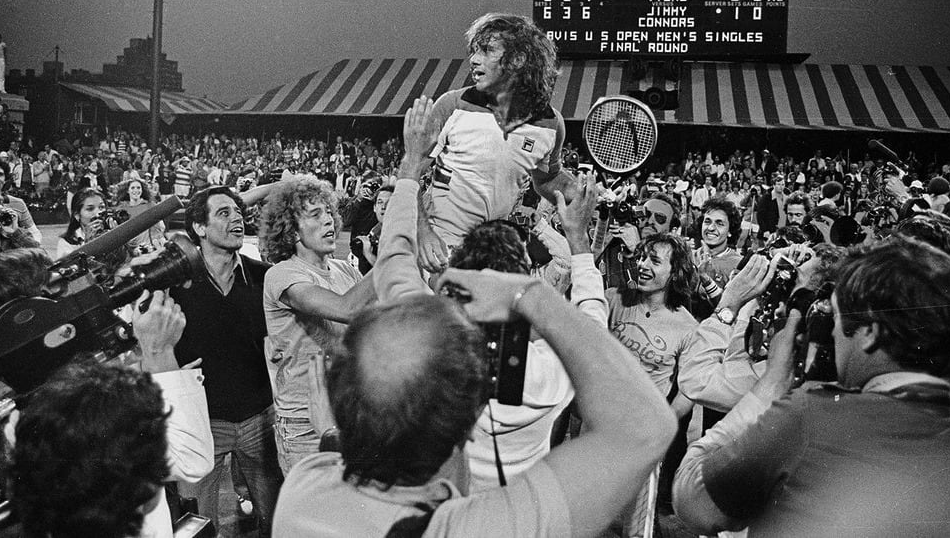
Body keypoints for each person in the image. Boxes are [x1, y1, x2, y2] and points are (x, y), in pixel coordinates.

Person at [272, 273, 677, 537]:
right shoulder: (476, 529)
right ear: (469, 424)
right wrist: (529, 295)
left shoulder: (304, 486)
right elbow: (647, 426)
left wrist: (330, 435)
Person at [371, 97, 607, 491]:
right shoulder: (551, 371)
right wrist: (579, 239)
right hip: (520, 516)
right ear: (522, 285)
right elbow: (592, 319)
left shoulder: (425, 348)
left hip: (449, 513)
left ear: (460, 284)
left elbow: (394, 253)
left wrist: (412, 165)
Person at [673, 236, 950, 537]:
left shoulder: (812, 415)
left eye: (834, 315)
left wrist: (769, 386)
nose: (830, 330)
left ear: (870, 331)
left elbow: (694, 501)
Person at [0, 248, 215, 537]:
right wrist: (160, 353)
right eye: (54, 291)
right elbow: (190, 459)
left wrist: (126, 288)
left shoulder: (31, 390)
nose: (67, 299)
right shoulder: (65, 419)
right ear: (21, 321)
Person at [416, 13, 578, 272]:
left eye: (487, 50)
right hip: (440, 250)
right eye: (474, 51)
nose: (473, 59)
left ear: (518, 59)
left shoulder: (550, 123)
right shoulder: (451, 105)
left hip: (494, 257)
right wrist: (422, 231)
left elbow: (547, 179)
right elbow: (409, 172)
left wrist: (579, 191)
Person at [170, 186, 283, 537]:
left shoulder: (264, 277)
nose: (236, 217)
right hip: (201, 423)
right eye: (223, 213)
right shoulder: (174, 283)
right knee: (197, 524)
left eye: (238, 211)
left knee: (274, 518)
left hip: (259, 418)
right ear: (199, 228)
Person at [260, 174, 377, 473]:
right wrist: (393, 258)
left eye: (329, 212)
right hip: (304, 422)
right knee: (310, 513)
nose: (329, 221)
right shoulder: (282, 274)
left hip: (348, 411)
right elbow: (346, 308)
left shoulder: (344, 271)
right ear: (292, 231)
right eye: (316, 214)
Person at [605, 231, 699, 537]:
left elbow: (688, 389)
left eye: (655, 260)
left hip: (643, 438)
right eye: (642, 256)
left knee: (637, 524)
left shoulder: (687, 326)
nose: (643, 264)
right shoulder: (614, 298)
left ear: (675, 274)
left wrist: (665, 423)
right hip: (598, 428)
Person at [114, 178, 166, 254]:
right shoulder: (122, 209)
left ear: (142, 190)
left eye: (138, 188)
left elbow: (160, 226)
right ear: (127, 191)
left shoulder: (150, 205)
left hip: (154, 244)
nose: (136, 190)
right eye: (132, 188)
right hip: (134, 248)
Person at [56, 188, 109, 258]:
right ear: (77, 215)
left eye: (101, 207)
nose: (98, 213)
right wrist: (88, 246)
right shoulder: (66, 243)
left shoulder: (111, 231)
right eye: (90, 209)